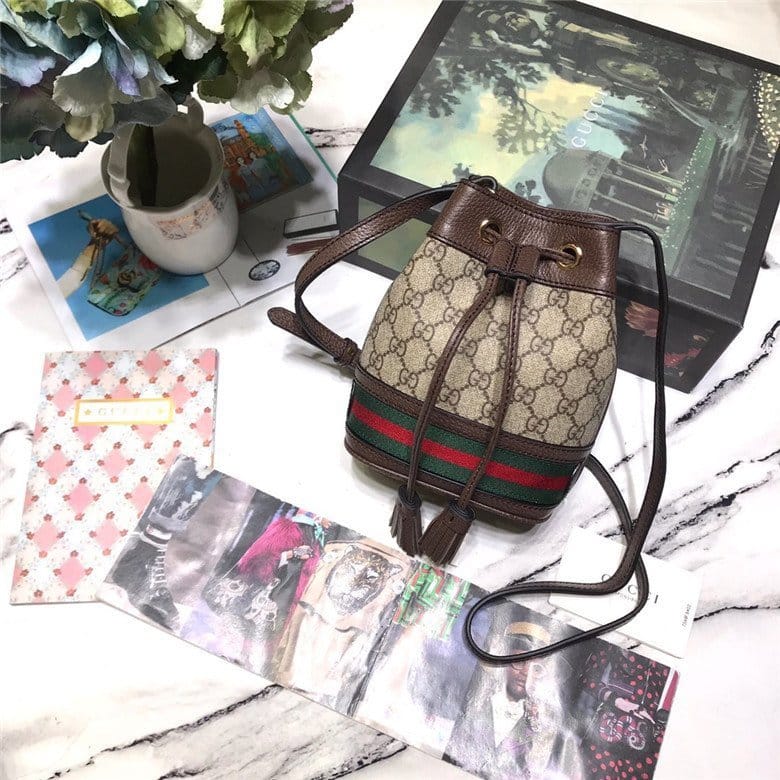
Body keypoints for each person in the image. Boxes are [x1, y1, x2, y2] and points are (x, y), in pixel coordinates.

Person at [444, 620, 583, 780]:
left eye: (536, 669)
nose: (526, 673)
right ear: (503, 661)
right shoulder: (474, 700)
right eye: (519, 661)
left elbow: (535, 770)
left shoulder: (541, 725)